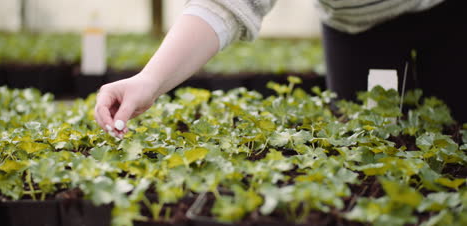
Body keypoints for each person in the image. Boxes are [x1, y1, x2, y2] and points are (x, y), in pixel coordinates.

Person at [94, 0, 466, 138]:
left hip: (451, 14)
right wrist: (150, 80)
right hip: (355, 27)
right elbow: (224, 5)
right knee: (368, 144)